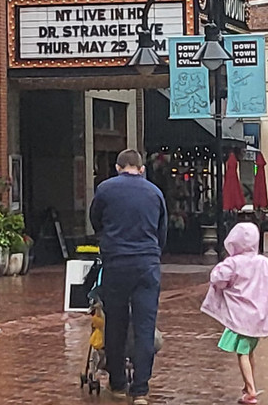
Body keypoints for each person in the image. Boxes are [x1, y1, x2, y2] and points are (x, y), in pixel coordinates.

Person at [89, 149, 167, 405]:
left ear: (118, 167)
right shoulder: (155, 193)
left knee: (116, 323)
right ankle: (141, 390)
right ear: (141, 169)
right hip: (146, 263)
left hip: (116, 263)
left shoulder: (105, 189)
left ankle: (118, 384)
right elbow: (161, 232)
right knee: (145, 326)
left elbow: (95, 220)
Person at [200, 222, 268, 405]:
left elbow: (217, 277)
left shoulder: (234, 263)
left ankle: (251, 390)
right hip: (259, 318)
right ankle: (249, 386)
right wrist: (266, 294)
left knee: (242, 354)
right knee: (249, 351)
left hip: (240, 318)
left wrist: (227, 286)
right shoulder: (265, 263)